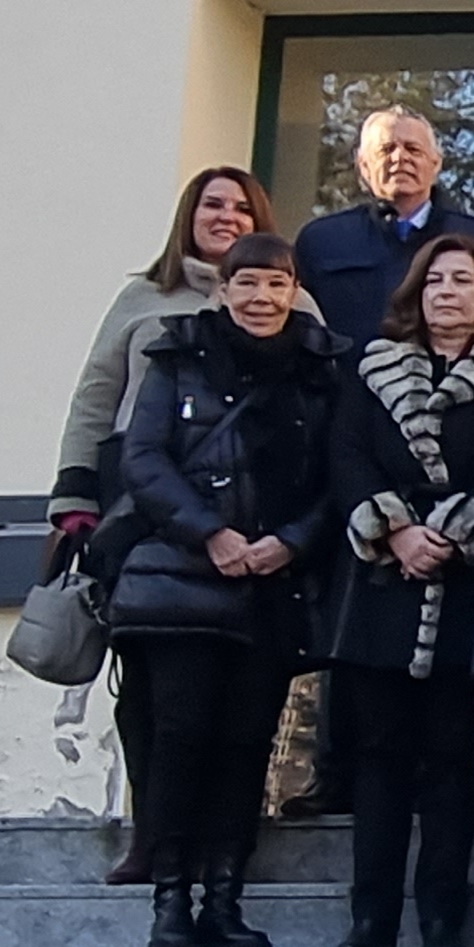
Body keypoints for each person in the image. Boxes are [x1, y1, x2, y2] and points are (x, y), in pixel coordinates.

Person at [109, 233, 346, 947]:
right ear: (224, 290)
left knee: (248, 747)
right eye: (248, 284)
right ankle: (171, 905)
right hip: (179, 586)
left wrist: (292, 542)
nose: (261, 299)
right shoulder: (176, 357)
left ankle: (225, 901)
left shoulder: (320, 370)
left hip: (270, 591)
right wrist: (209, 534)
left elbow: (338, 475)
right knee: (182, 740)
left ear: (293, 291)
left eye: (276, 285)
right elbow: (142, 459)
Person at [48, 164, 289, 886]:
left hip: (252, 518)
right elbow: (97, 395)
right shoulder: (143, 297)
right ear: (190, 214)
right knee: (150, 690)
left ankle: (218, 845)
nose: (226, 218)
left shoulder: (293, 303)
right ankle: (151, 833)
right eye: (213, 205)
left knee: (234, 700)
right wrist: (75, 492)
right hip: (144, 509)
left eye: (242, 209)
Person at [322, 232, 474, 947]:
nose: (448, 293)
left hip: (468, 590)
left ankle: (442, 910)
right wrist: (395, 529)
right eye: (436, 280)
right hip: (383, 586)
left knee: (451, 759)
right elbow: (344, 454)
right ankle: (370, 916)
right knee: (378, 758)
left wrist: (456, 530)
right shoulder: (369, 373)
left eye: (463, 282)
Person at [290, 109, 474, 348]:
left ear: (436, 164)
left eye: (413, 149)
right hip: (345, 382)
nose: (400, 158)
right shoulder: (321, 240)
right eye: (386, 150)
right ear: (364, 166)